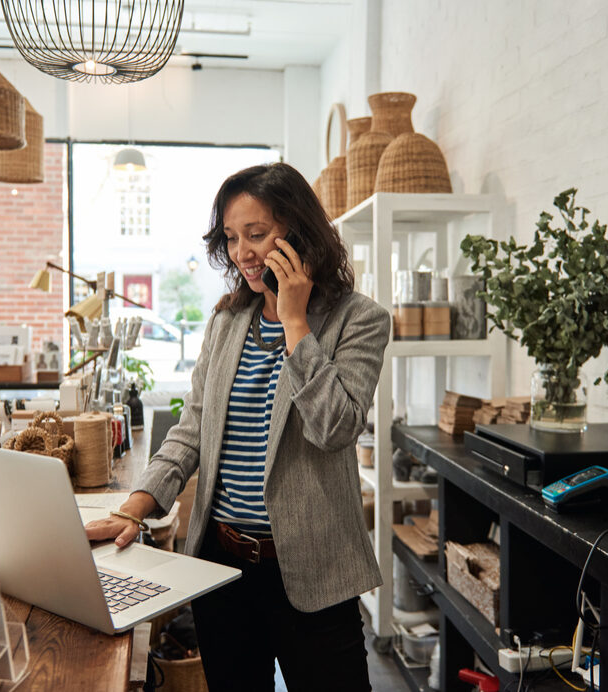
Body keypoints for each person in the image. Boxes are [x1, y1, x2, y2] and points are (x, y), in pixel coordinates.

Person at [85, 162, 391, 691]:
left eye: (257, 233)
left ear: (299, 233)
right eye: (231, 237)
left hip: (315, 570)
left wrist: (295, 322)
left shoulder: (358, 320)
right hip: (221, 568)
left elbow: (334, 427)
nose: (242, 252)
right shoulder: (228, 322)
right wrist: (135, 506)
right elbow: (192, 428)